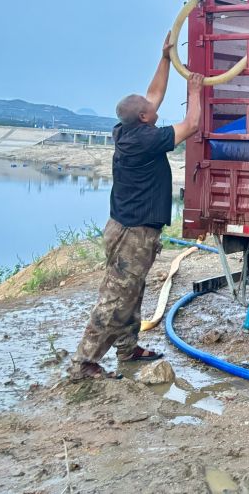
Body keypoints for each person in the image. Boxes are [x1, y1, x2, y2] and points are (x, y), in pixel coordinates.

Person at [70, 33, 204, 380]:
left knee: (132, 290)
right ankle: (84, 363)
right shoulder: (147, 140)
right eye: (149, 108)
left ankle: (128, 349)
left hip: (128, 227)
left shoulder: (126, 129)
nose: (155, 105)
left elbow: (153, 95)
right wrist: (195, 91)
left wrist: (165, 58)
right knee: (115, 297)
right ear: (144, 118)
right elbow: (192, 124)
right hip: (132, 233)